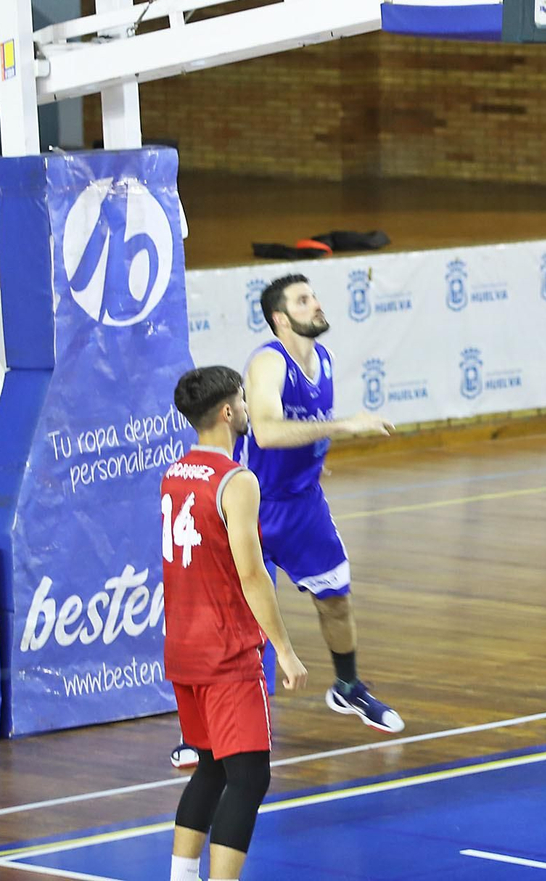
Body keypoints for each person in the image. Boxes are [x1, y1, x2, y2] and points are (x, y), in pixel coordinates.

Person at [164, 366, 308, 881]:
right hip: (225, 654)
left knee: (210, 766)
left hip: (182, 649)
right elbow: (251, 573)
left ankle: (181, 877)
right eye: (243, 400)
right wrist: (285, 649)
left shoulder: (176, 472)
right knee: (248, 777)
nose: (248, 408)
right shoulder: (236, 480)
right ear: (228, 411)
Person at [242, 274, 401, 734]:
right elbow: (268, 432)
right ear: (280, 317)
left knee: (336, 601)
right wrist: (343, 426)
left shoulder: (324, 359)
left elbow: (302, 430)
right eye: (303, 299)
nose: (316, 304)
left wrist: (315, 459)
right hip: (250, 504)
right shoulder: (268, 363)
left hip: (302, 504)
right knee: (234, 619)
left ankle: (348, 688)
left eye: (314, 296)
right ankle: (201, 731)